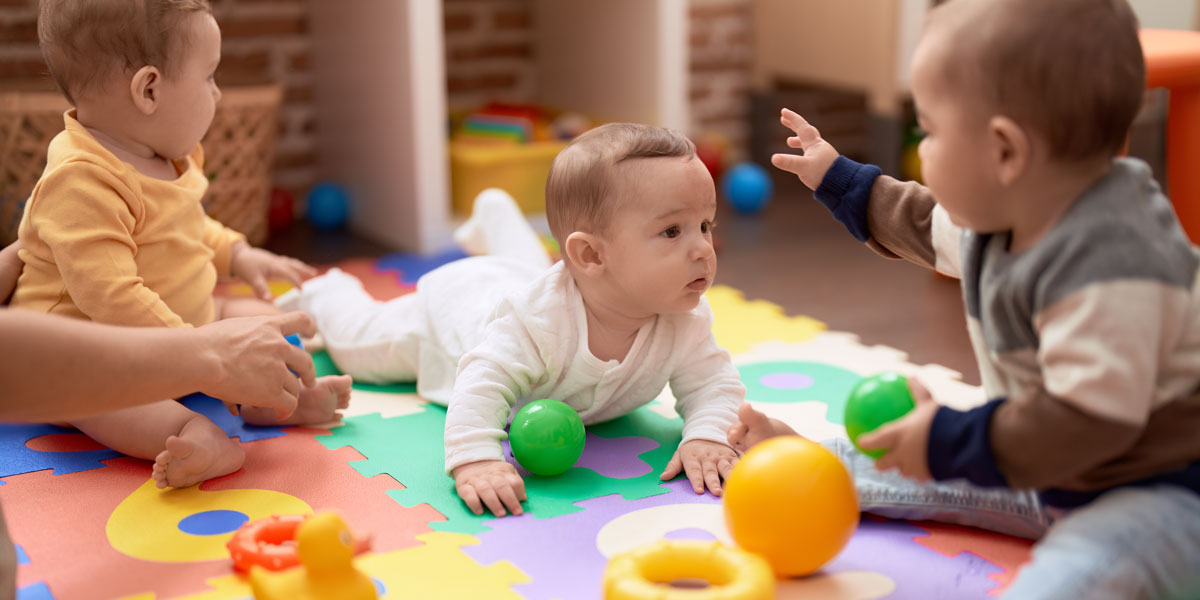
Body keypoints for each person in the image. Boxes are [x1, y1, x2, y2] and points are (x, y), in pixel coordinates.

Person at [731, 0, 1200, 597]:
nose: (921, 148)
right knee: (937, 447)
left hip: (1161, 493)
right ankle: (816, 466)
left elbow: (1088, 421)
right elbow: (924, 223)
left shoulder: (1116, 261)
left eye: (926, 129)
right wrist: (838, 177)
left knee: (1067, 575)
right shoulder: (1005, 214)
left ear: (1005, 151)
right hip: (1050, 462)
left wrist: (948, 439)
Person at [281, 123, 745, 518]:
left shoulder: (685, 317)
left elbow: (713, 384)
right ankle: (326, 291)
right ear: (590, 254)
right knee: (359, 343)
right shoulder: (536, 321)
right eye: (672, 231)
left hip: (527, 278)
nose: (703, 248)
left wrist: (708, 435)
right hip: (452, 312)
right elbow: (483, 384)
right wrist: (476, 459)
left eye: (706, 225)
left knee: (527, 269)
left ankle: (495, 215)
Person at [9, 0, 352, 490]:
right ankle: (192, 434)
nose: (217, 91)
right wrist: (198, 353)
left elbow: (188, 226)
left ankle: (279, 398)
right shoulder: (79, 183)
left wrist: (237, 252)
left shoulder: (165, 156)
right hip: (92, 355)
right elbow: (113, 300)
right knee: (104, 400)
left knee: (252, 313)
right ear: (149, 90)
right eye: (209, 76)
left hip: (183, 323)